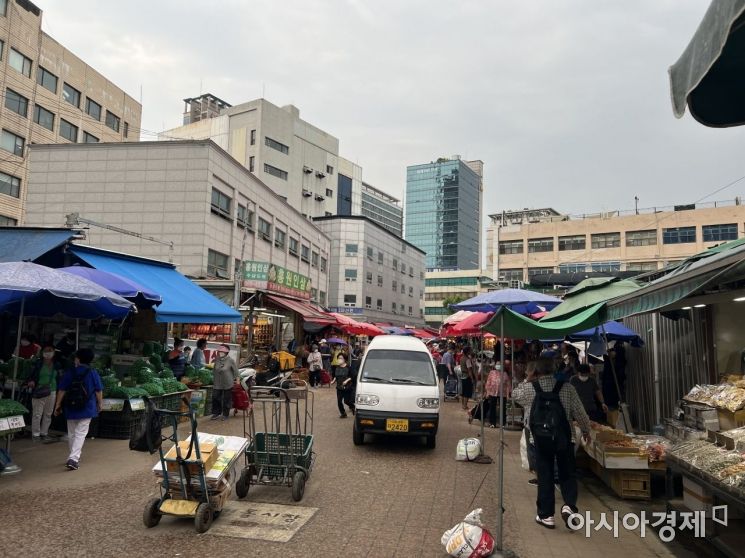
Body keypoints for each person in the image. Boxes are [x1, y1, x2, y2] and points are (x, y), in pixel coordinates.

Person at [513, 357, 591, 530]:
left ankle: (546, 515)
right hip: (564, 437)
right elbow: (580, 413)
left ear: (536, 371)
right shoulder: (568, 388)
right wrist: (586, 430)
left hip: (539, 439)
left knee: (545, 474)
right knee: (568, 473)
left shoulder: (529, 388)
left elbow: (513, 395)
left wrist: (528, 378)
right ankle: (569, 506)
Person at [54, 348, 103, 470]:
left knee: (72, 433)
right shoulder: (92, 372)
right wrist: (100, 403)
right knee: (81, 434)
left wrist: (57, 404)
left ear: (78, 359)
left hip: (71, 406)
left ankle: (73, 456)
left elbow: (62, 389)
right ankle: (73, 458)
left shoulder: (70, 372)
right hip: (87, 407)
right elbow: (98, 390)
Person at [27, 345, 61, 441]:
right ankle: (36, 434)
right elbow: (31, 375)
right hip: (39, 390)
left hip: (52, 390)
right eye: (46, 351)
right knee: (37, 414)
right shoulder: (38, 363)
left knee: (48, 413)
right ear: (42, 352)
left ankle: (44, 433)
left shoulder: (57, 364)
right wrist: (31, 381)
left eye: (50, 351)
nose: (48, 353)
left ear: (54, 352)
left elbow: (59, 376)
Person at [210, 344, 238, 420]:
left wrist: (237, 380)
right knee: (215, 397)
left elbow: (236, 371)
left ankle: (225, 414)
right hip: (217, 382)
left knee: (226, 399)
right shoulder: (217, 360)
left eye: (222, 352)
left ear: (226, 353)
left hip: (228, 383)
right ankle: (216, 413)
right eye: (219, 352)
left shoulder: (230, 360)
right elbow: (214, 370)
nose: (220, 353)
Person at [485, 361, 511, 427]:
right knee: (492, 407)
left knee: (502, 408)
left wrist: (508, 395)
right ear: (495, 365)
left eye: (500, 364)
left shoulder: (505, 374)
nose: (498, 366)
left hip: (503, 393)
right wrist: (487, 392)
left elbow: (508, 385)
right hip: (492, 392)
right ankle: (492, 423)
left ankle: (503, 423)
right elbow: (488, 382)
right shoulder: (492, 373)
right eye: (497, 364)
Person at [460, 346, 476, 411]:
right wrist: (472, 379)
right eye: (470, 350)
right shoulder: (467, 359)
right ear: (468, 351)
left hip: (462, 376)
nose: (471, 351)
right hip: (467, 377)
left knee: (463, 391)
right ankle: (465, 405)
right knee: (467, 392)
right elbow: (469, 370)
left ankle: (462, 405)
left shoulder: (461, 358)